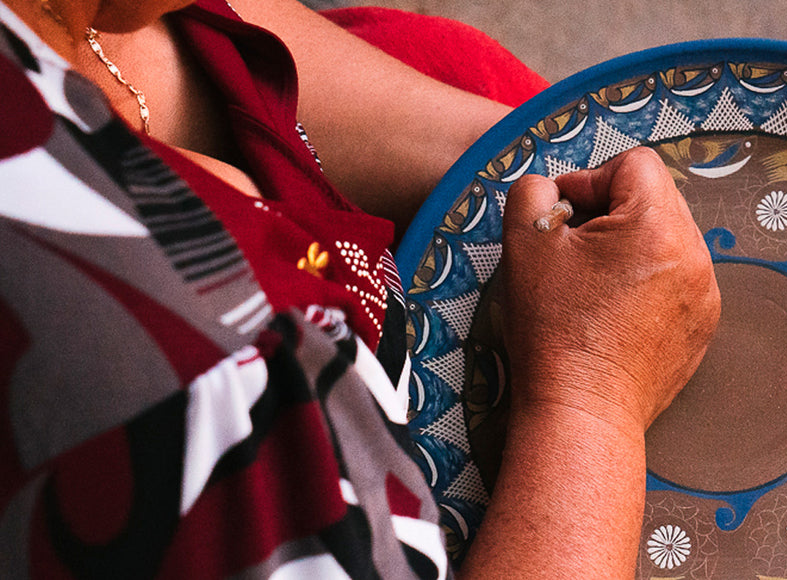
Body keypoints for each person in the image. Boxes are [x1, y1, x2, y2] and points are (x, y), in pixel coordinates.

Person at [0, 0, 721, 578]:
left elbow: (167, 40)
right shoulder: (214, 371)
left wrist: (524, 168)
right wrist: (591, 394)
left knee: (472, 71)